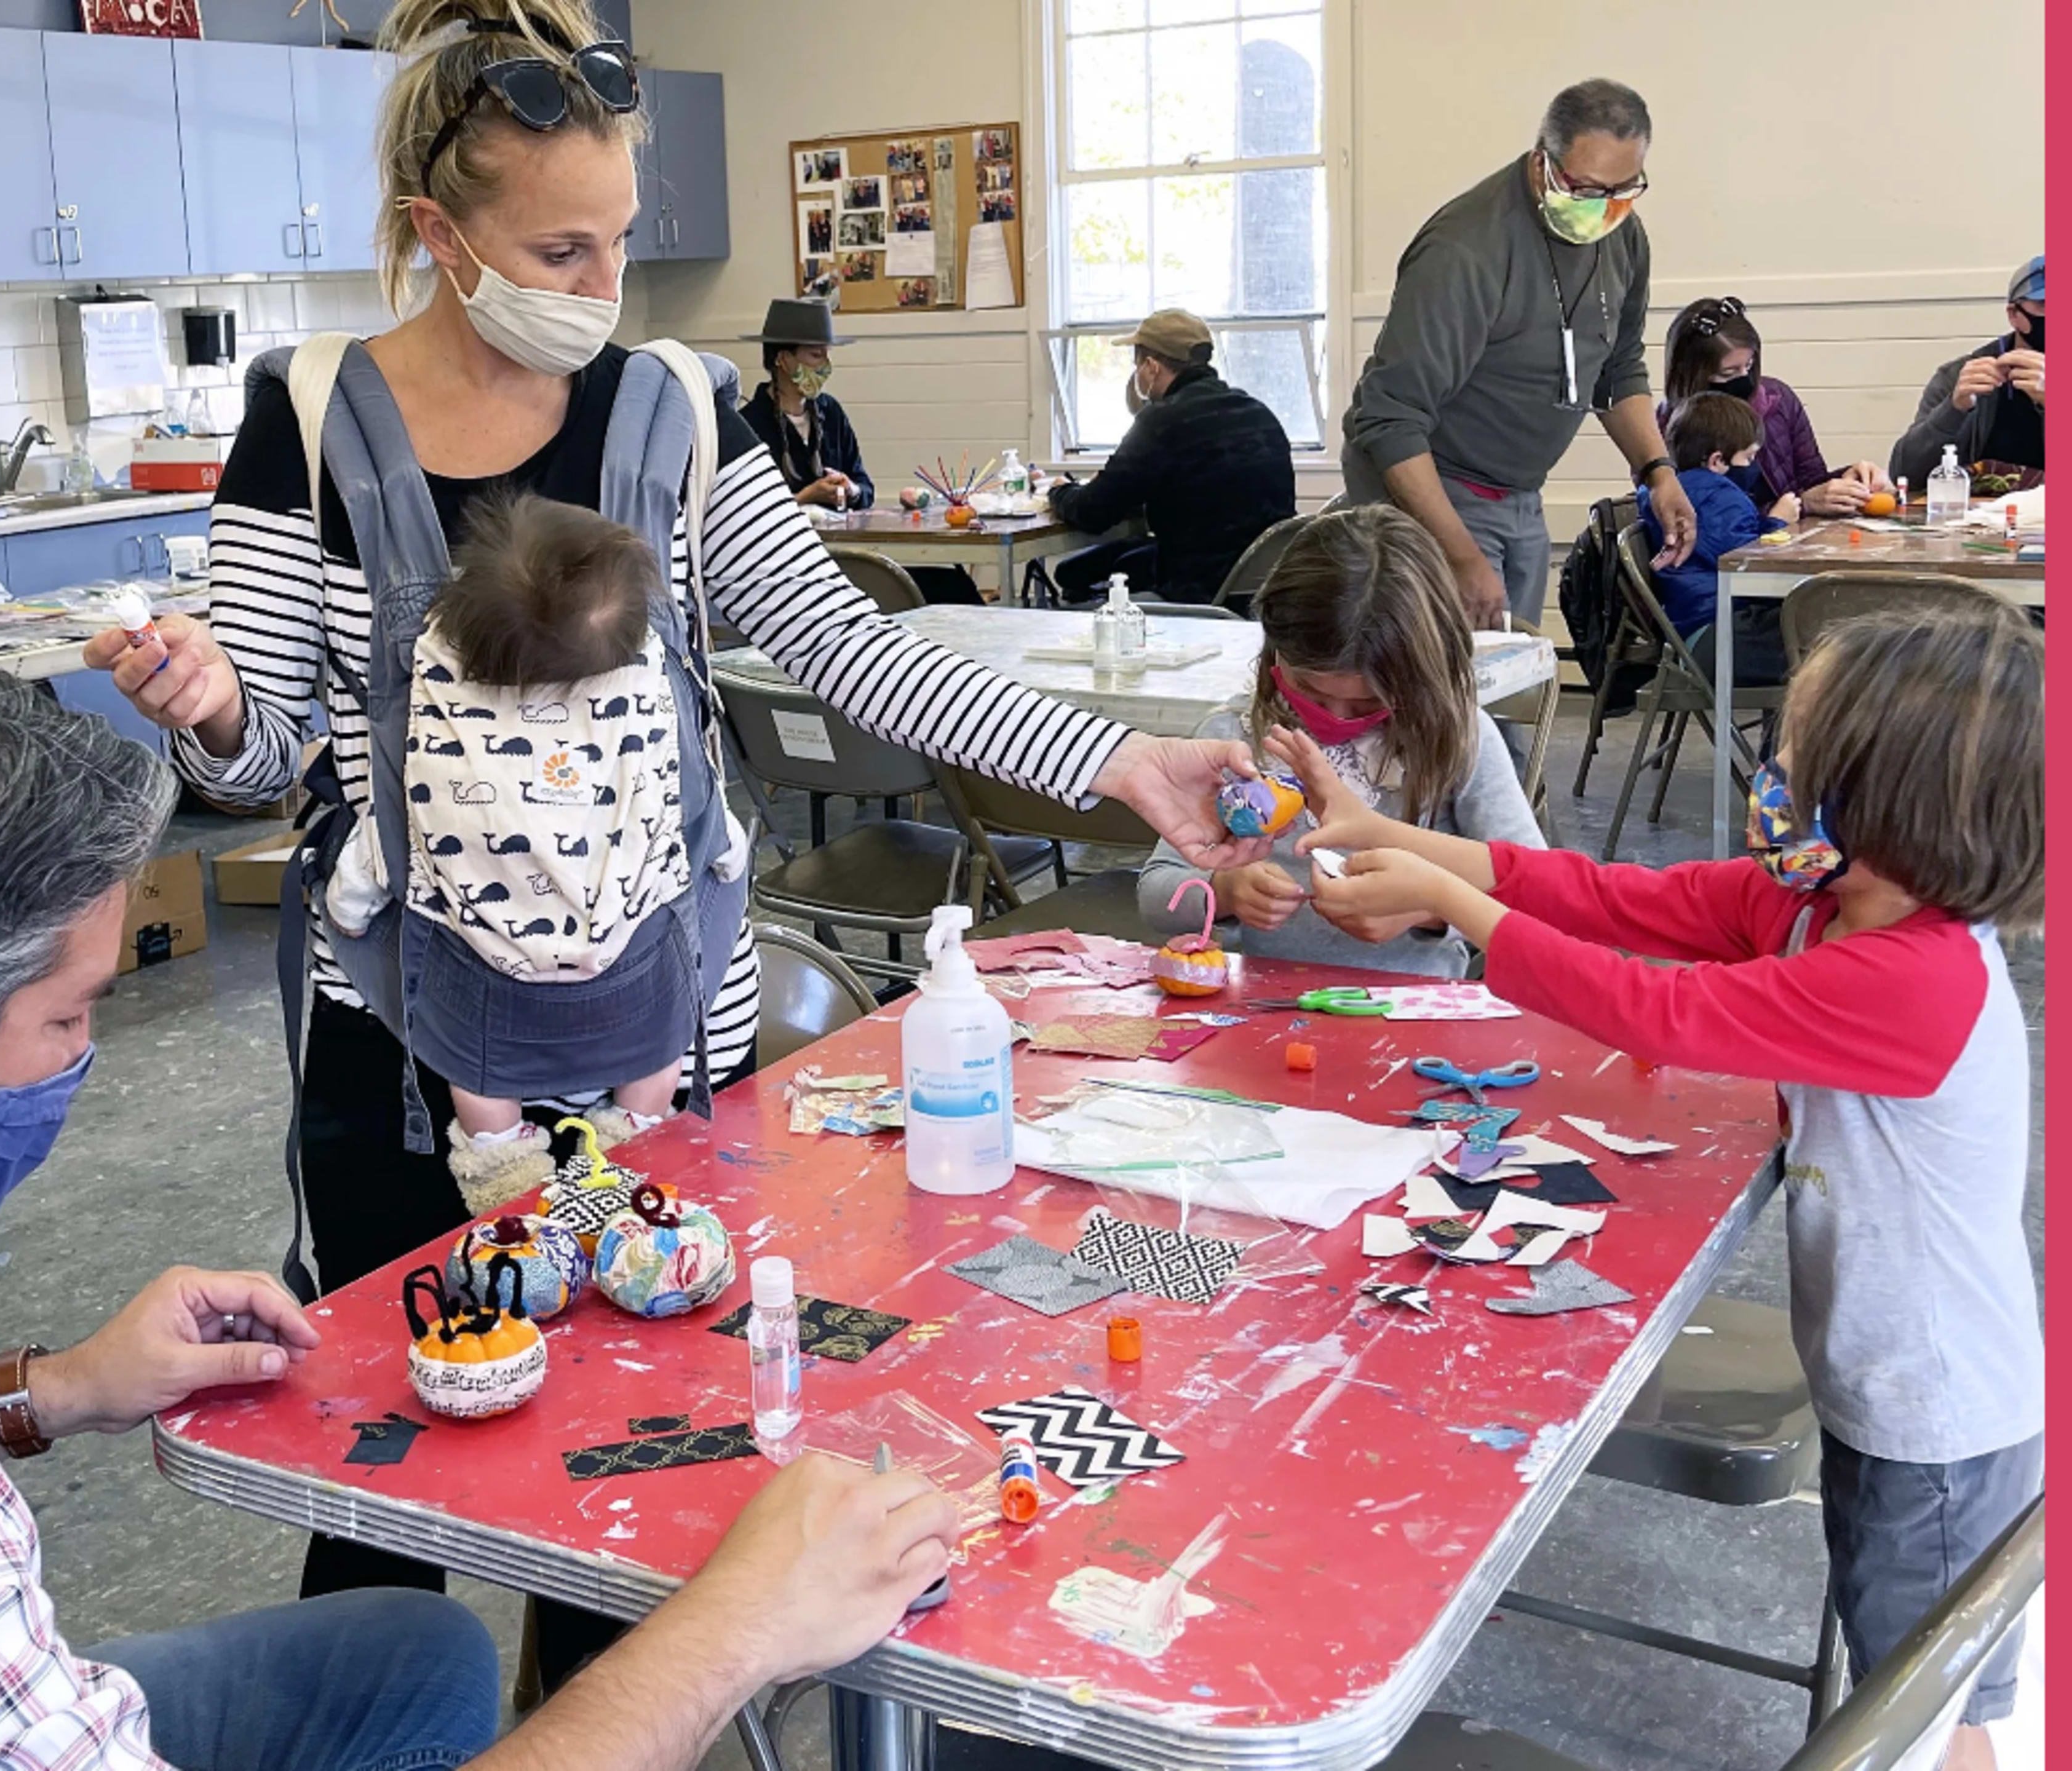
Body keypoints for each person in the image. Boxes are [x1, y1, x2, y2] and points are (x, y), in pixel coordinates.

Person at [82, 0, 1269, 1620]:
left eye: (621, 244)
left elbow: (848, 649)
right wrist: (211, 705)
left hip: (658, 1024)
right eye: (561, 250)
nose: (601, 292)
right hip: (404, 1050)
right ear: (439, 235)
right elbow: (263, 749)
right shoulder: (306, 417)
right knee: (379, 1442)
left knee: (641, 1440)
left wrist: (1120, 769)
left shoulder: (683, 410)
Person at [0, 652, 963, 1771]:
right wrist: (737, 1628)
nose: (83, 1061)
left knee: (408, 1656)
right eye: (66, 1017)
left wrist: (55, 1387)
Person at [1283, 596, 2043, 1771]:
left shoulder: (1918, 974)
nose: (1773, 771)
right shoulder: (1814, 908)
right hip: (1879, 1380)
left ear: (1899, 802)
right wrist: (1393, 834)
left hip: (1937, 1417)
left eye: (1803, 755)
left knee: (1923, 1714)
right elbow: (1607, 897)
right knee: (1888, 1654)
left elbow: (1660, 1012)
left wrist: (1450, 907)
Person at [326, 491, 699, 1204]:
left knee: (477, 1076)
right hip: (631, 972)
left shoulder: (449, 733)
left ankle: (501, 1166)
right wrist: (730, 858)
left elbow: (390, 844)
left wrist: (346, 908)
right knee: (663, 1045)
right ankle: (639, 1129)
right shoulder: (636, 721)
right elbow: (692, 821)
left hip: (484, 983)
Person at [1341, 79, 1695, 625]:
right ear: (1541, 164)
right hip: (1433, 491)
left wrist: (1659, 472)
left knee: (1513, 684)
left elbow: (1618, 368)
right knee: (1448, 694)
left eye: (1623, 190)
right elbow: (1390, 419)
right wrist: (1460, 555)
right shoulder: (1465, 251)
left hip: (1519, 494)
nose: (1603, 210)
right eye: (1585, 189)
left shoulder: (1622, 235)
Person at [1140, 506, 1541, 978]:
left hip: (1416, 1011)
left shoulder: (1459, 740)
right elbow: (1154, 894)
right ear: (1276, 651)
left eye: (1369, 701)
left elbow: (1537, 898)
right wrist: (1224, 892)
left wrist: (1429, 910)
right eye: (1310, 691)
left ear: (1421, 675)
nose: (1334, 717)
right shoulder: (1234, 739)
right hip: (1259, 1005)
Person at [1047, 307, 1298, 607]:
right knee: (1102, 563)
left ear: (1152, 367)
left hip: (1198, 583)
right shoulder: (1258, 412)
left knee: (1077, 572)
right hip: (1264, 582)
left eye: (1137, 364)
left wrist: (1059, 490)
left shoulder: (1162, 421)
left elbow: (1092, 512)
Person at [1659, 296, 1885, 517]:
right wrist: (1793, 509)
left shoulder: (1778, 400)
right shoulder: (1665, 429)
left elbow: (1811, 480)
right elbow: (1695, 520)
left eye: (1749, 365)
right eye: (1728, 373)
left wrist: (1848, 482)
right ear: (1692, 373)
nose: (1744, 377)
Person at [1637, 391, 1800, 688]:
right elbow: (1746, 564)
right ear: (1717, 461)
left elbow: (1725, 540)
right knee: (1826, 640)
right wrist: (1779, 522)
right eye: (1749, 457)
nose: (1754, 466)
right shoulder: (1720, 497)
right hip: (1715, 638)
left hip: (1695, 629)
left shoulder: (1678, 495)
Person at [1890, 256, 2045, 493]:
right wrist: (1954, 410)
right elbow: (1906, 476)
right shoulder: (1961, 375)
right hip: (1981, 519)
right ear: (2014, 314)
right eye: (2045, 304)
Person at [739, 296, 871, 511]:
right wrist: (804, 498)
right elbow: (745, 508)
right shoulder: (748, 425)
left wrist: (851, 490)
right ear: (782, 359)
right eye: (816, 355)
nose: (826, 365)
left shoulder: (831, 412)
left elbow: (865, 487)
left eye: (827, 354)